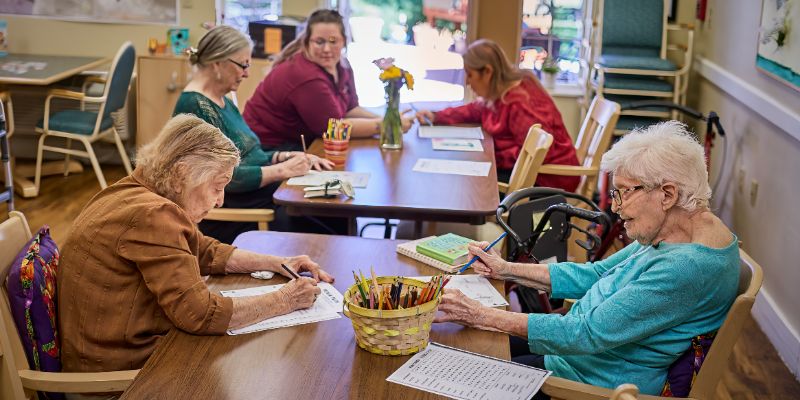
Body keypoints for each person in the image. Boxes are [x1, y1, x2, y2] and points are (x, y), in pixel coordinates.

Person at [434, 121, 740, 395]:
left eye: (622, 192)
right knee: (455, 343)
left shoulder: (686, 267)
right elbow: (595, 275)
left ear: (668, 194)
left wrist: (480, 314)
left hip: (590, 380)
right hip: (578, 351)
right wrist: (504, 270)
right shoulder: (681, 227)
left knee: (456, 365)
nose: (615, 207)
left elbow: (586, 334)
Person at [58, 115, 334, 381]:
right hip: (119, 374)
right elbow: (200, 315)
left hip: (108, 354)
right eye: (217, 187)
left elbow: (205, 251)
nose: (220, 201)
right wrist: (284, 300)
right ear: (182, 174)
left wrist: (277, 263)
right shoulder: (153, 215)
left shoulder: (136, 191)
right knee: (264, 367)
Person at [174, 25, 336, 243]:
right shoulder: (195, 105)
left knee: (333, 213)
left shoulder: (221, 100)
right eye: (243, 65)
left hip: (256, 198)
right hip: (233, 215)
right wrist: (282, 170)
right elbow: (228, 179)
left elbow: (251, 154)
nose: (247, 73)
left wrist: (288, 157)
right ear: (218, 63)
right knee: (325, 229)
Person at [414, 39, 579, 191]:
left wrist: (491, 153)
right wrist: (436, 116)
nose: (467, 82)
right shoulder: (499, 93)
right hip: (526, 172)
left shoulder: (520, 102)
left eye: (470, 74)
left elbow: (537, 154)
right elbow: (474, 110)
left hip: (547, 182)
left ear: (487, 72)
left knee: (463, 186)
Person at [242, 9, 413, 151]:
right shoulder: (306, 76)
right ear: (307, 42)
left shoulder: (343, 65)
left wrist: (389, 118)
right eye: (319, 42)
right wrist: (387, 125)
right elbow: (333, 128)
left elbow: (351, 109)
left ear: (344, 41)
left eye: (333, 41)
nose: (326, 49)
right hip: (267, 149)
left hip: (299, 143)